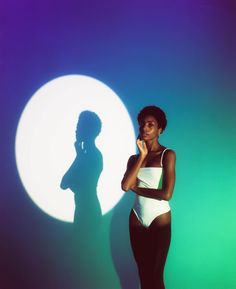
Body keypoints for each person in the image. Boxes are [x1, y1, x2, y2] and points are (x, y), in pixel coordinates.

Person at [121, 105, 176, 289]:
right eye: (142, 124)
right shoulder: (133, 159)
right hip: (136, 217)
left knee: (155, 275)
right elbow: (125, 186)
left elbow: (166, 194)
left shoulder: (167, 155)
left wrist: (137, 189)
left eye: (150, 124)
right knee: (143, 274)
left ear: (160, 129)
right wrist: (142, 155)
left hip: (159, 218)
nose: (145, 128)